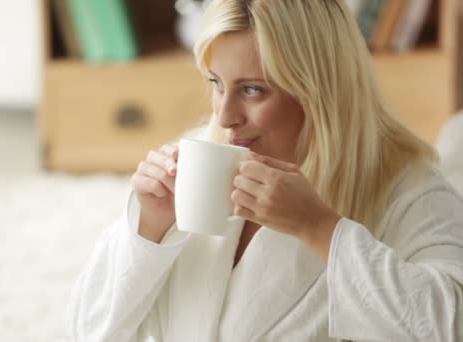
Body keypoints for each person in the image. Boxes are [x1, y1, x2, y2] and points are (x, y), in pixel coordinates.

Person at [66, 0, 463, 340]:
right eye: (216, 82)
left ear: (320, 89)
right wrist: (147, 231)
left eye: (253, 89)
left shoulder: (408, 187)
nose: (224, 116)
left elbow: (451, 327)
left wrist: (320, 228)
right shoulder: (198, 163)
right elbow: (88, 330)